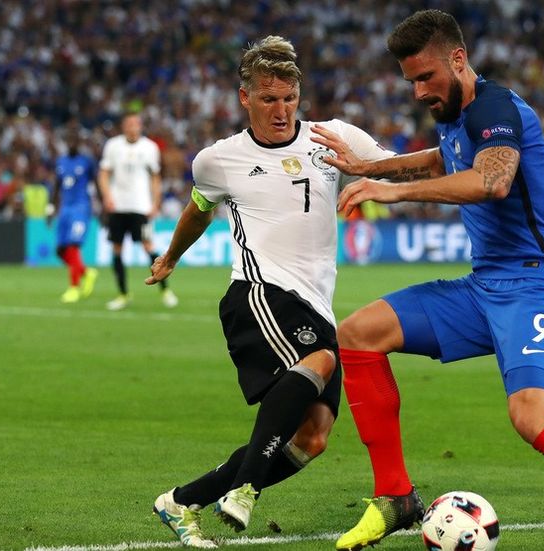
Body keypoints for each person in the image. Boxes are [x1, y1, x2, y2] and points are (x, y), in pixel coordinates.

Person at [310, 10, 544, 551]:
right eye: (411, 81)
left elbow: (492, 179)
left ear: (459, 59)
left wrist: (389, 193)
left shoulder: (495, 108)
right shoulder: (456, 114)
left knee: (533, 419)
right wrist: (374, 168)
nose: (419, 91)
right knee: (359, 332)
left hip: (538, 285)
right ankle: (395, 497)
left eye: (426, 77)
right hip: (483, 286)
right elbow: (445, 157)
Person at [145, 36, 394, 548]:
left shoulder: (334, 138)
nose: (280, 110)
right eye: (268, 99)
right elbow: (198, 209)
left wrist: (455, 166)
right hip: (258, 293)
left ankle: (180, 502)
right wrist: (172, 256)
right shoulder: (219, 160)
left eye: (288, 98)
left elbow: (394, 166)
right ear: (245, 98)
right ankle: (245, 488)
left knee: (313, 438)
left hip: (315, 302)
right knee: (322, 358)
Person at [98, 112, 178, 310]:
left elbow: (155, 178)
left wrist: (155, 203)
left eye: (136, 124)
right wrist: (107, 196)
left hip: (140, 207)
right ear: (124, 126)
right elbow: (104, 174)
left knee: (148, 246)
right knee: (116, 249)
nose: (133, 128)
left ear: (140, 127)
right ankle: (123, 294)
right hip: (118, 207)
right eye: (129, 124)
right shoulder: (113, 146)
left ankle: (166, 290)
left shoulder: (149, 147)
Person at [51, 133, 98, 303]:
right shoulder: (61, 161)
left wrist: (104, 206)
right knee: (60, 251)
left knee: (72, 246)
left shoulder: (87, 161)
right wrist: (50, 208)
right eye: (69, 140)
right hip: (65, 209)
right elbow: (56, 185)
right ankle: (86, 272)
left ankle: (74, 288)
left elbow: (97, 182)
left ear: (79, 142)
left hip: (81, 208)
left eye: (74, 140)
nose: (71, 143)